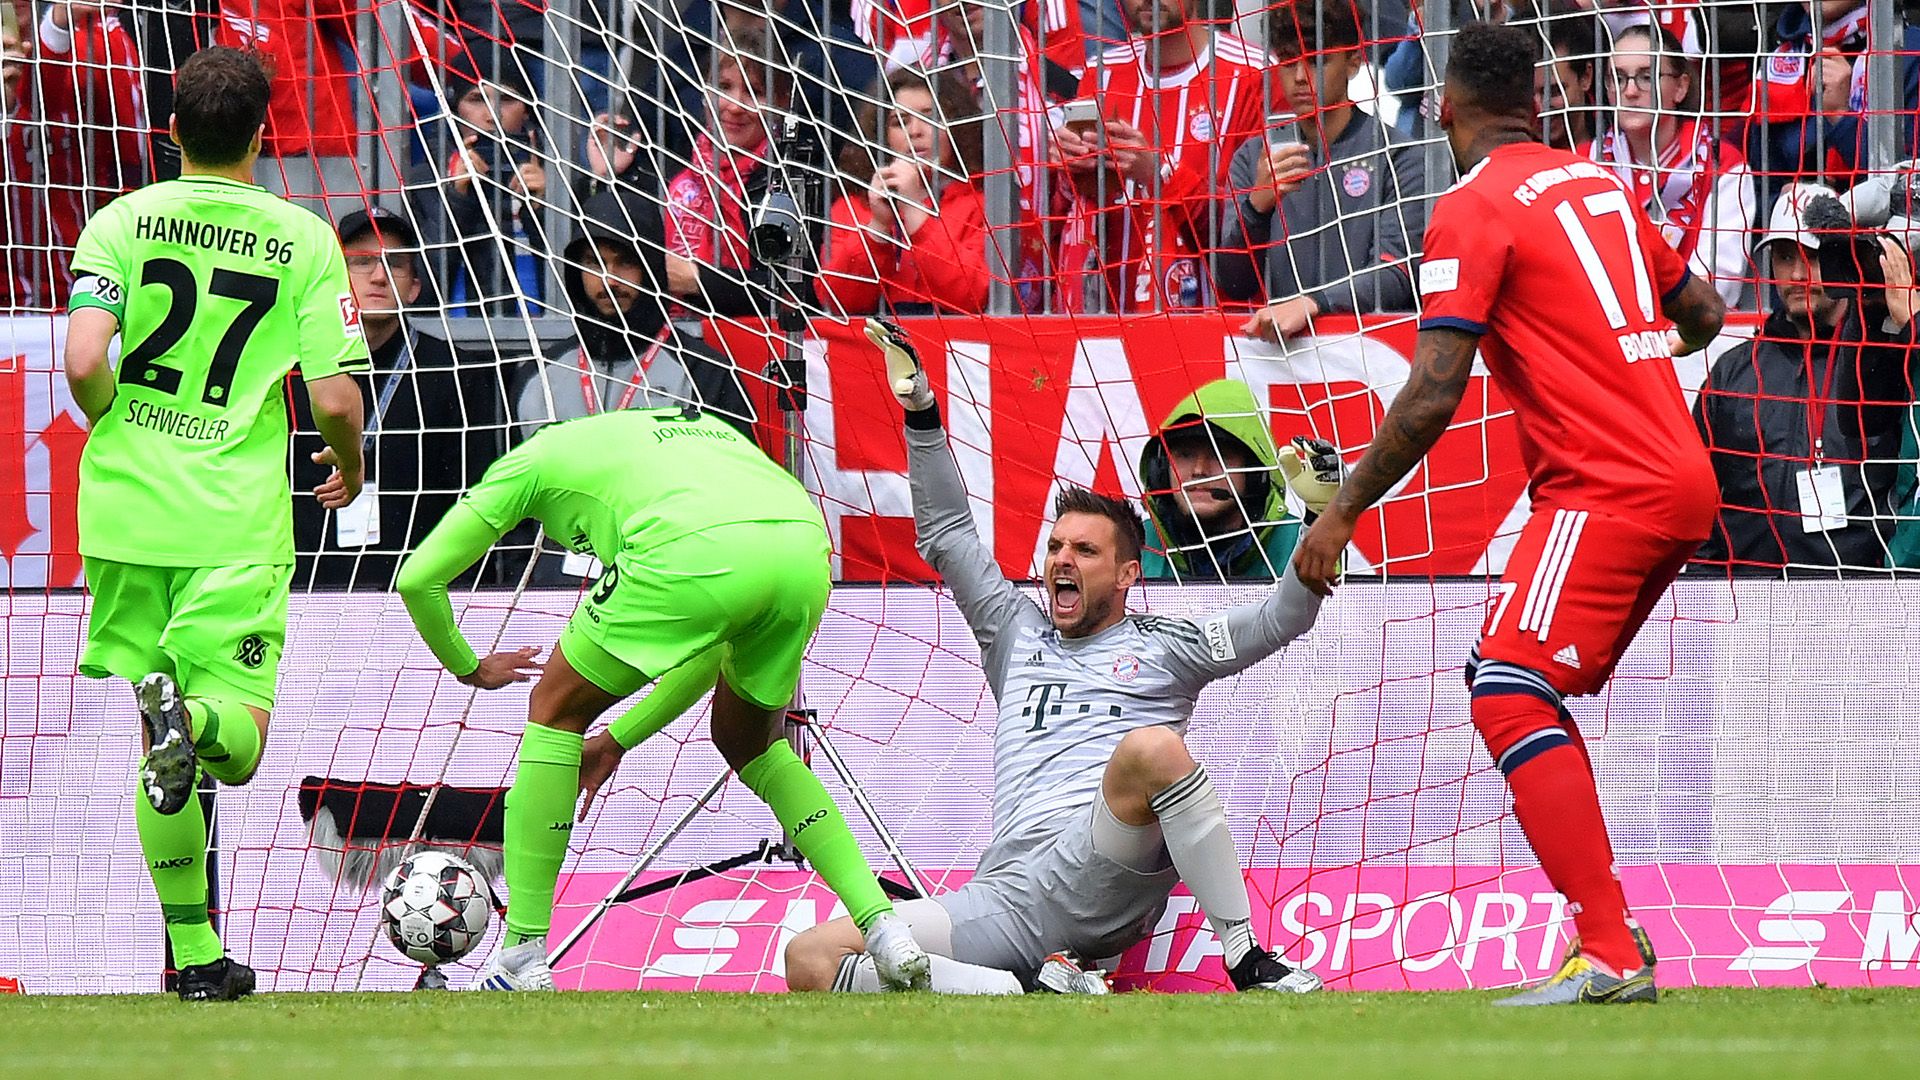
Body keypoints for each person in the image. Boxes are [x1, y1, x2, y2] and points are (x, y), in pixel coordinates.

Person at [1294, 21, 1728, 1006]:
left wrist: (1342, 512)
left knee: (1504, 688)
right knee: (1514, 678)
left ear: (1442, 106)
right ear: (1540, 101)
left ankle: (1610, 950)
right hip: (1677, 472)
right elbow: (1700, 311)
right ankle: (1613, 940)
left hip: (1605, 482)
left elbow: (1432, 394)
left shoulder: (1470, 206)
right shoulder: (1603, 185)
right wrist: (1621, 356)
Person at [782, 320, 1340, 996]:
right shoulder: (1015, 634)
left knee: (1151, 748)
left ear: (1129, 574)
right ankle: (1018, 991)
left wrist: (1320, 522)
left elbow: (1282, 617)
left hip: (1105, 866)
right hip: (1005, 896)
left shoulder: (1167, 645)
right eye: (1054, 548)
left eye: (1084, 551)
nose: (1060, 563)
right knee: (810, 958)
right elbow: (950, 534)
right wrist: (921, 414)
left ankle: (1247, 956)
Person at [392, 406, 931, 993]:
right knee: (752, 743)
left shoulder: (528, 462)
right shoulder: (689, 432)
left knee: (553, 709)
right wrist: (618, 740)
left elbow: (418, 578)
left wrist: (471, 667)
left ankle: (521, 953)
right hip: (802, 545)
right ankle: (882, 927)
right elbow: (709, 646)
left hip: (687, 550)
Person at [63, 47, 369, 1001]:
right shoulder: (303, 238)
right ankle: (188, 721)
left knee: (158, 751)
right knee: (228, 736)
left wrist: (118, 416)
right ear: (264, 136)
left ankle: (196, 961)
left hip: (120, 509)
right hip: (229, 517)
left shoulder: (119, 221)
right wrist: (349, 468)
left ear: (170, 131)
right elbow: (337, 397)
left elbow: (80, 361)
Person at [1692, 184, 1917, 573]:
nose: (1796, 274)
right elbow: (1698, 498)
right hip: (1737, 602)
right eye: (1783, 257)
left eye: (1811, 257)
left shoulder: (1882, 365)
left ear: (1840, 259)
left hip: (1859, 602)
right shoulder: (1733, 373)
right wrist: (1701, 577)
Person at [289, 207, 512, 590]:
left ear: (414, 288)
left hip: (417, 596)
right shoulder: (292, 371)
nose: (378, 276)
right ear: (335, 280)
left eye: (395, 264)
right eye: (361, 262)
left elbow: (478, 503)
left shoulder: (459, 374)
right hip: (305, 592)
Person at [1217, 0, 1427, 341]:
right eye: (1287, 63)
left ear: (1354, 64)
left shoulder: (1399, 154)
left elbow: (1398, 273)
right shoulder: (1254, 156)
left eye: (1317, 62)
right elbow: (1234, 283)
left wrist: (1316, 303)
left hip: (1370, 351)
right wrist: (1256, 209)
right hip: (1276, 355)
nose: (1300, 77)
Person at [1052, 0, 1269, 311]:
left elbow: (1256, 221)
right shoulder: (1101, 75)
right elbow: (1061, 218)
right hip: (1114, 323)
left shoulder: (1251, 74)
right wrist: (1068, 172)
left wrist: (1160, 173)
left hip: (1220, 328)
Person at [516, 188, 754, 441]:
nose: (610, 280)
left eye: (626, 262)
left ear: (650, 267)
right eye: (595, 263)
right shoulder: (538, 377)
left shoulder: (704, 373)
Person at [1584, 23, 1754, 308]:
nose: (1630, 91)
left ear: (1681, 87)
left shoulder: (1722, 164)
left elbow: (1717, 287)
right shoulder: (1584, 162)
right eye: (1618, 78)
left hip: (1692, 340)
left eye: (1647, 77)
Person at [815, 69, 991, 316]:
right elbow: (836, 300)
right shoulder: (854, 206)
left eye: (931, 118)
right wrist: (878, 228)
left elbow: (973, 295)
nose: (915, 131)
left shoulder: (983, 203)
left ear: (957, 127)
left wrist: (914, 212)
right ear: (882, 137)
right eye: (900, 122)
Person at [408, 48, 549, 316]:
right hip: (450, 342)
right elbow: (419, 295)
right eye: (477, 99)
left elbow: (578, 288)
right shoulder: (424, 182)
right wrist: (456, 199)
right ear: (454, 110)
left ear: (527, 111)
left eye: (507, 99)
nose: (492, 115)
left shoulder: (557, 180)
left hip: (549, 341)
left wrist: (543, 209)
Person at [1136, 378, 1319, 581]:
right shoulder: (1134, 544)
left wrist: (1323, 519)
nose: (1199, 470)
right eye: (1185, 455)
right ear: (1160, 470)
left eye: (1219, 455)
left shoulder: (1302, 542)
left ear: (1254, 473)